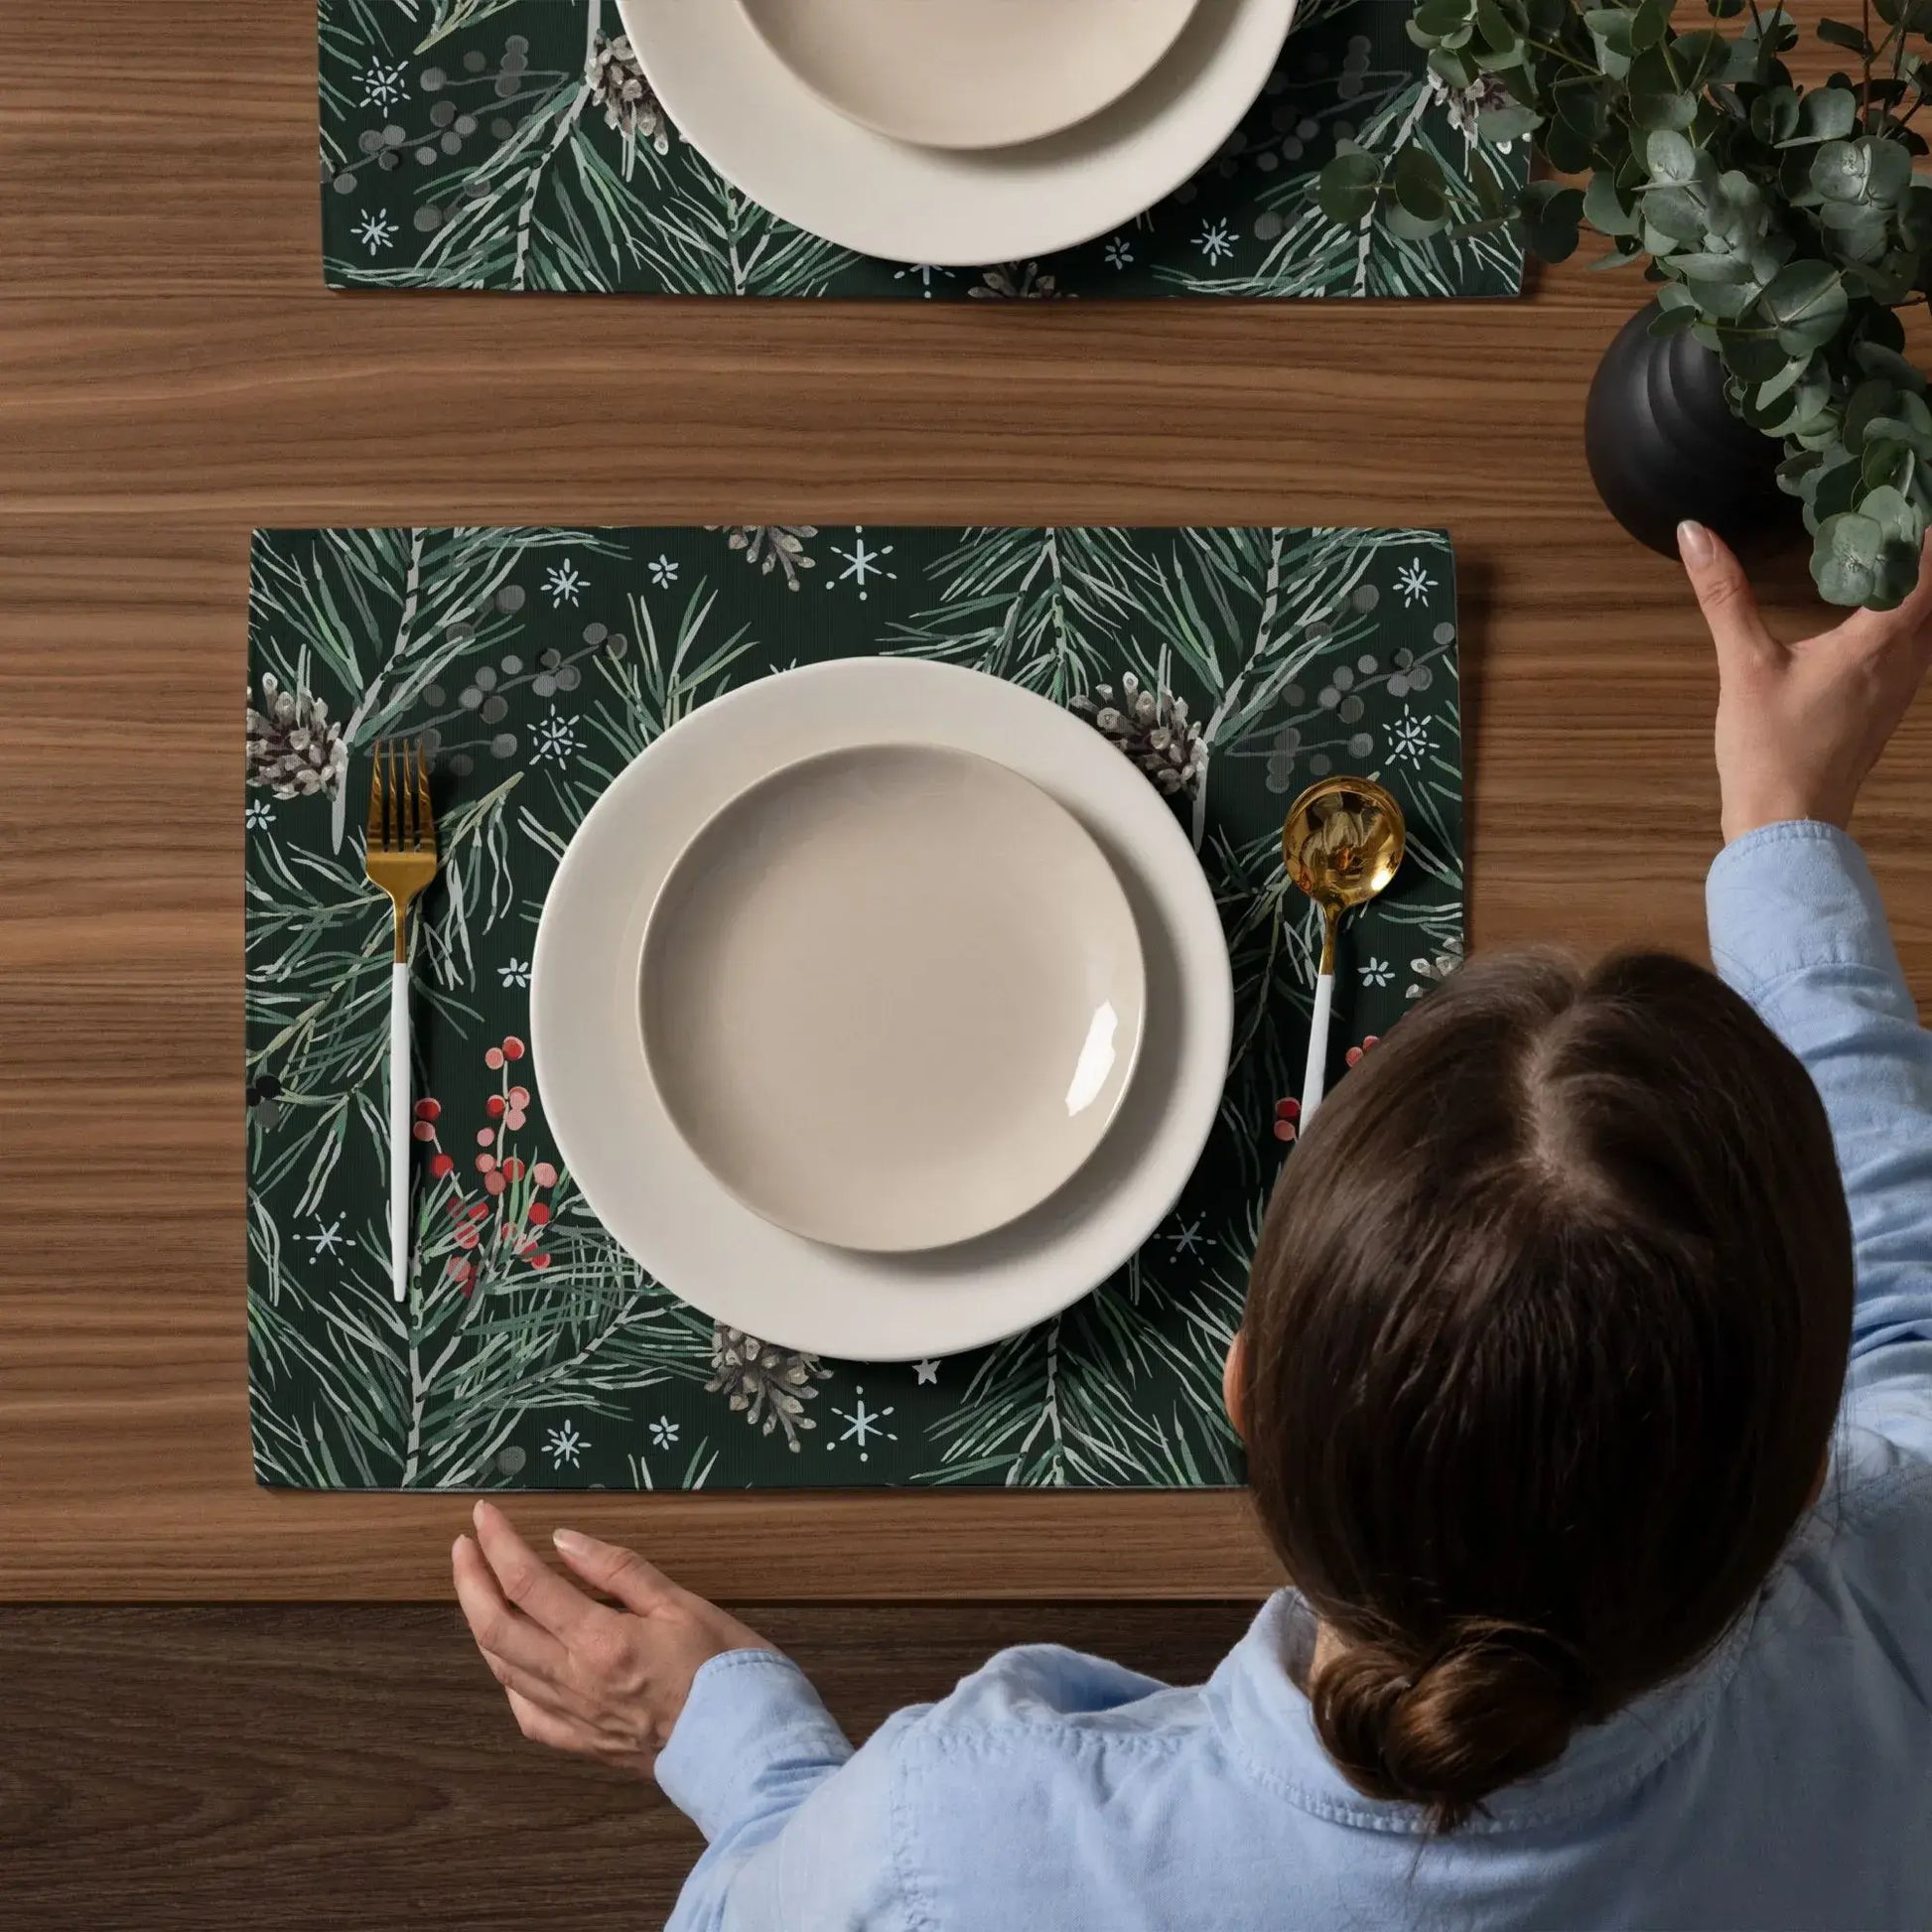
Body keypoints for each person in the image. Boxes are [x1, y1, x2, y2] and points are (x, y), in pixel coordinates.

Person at [452, 521, 1932, 1930]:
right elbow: (1905, 1324)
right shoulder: (1894, 1600)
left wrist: (740, 1752)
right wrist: (1782, 830)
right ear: (1795, 1472)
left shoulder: (955, 1846)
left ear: (1239, 1388)